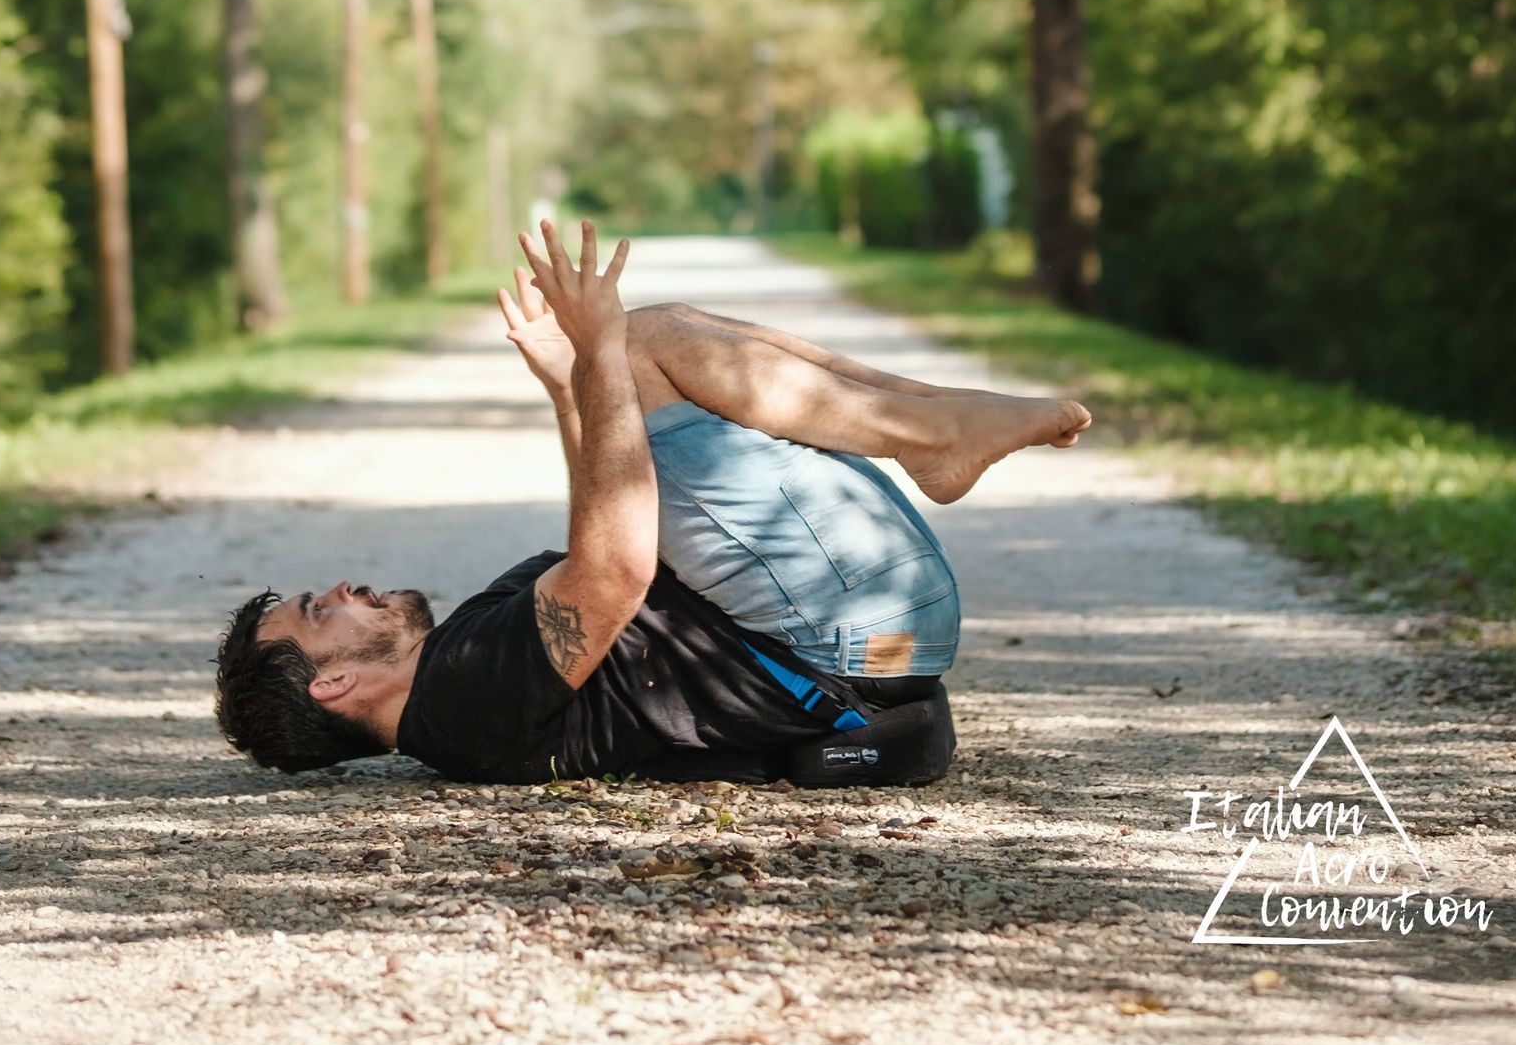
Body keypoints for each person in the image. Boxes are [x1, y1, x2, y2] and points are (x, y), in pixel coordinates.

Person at [213, 219, 1091, 789]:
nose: (344, 587)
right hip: (839, 639)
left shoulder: (462, 680)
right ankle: (933, 435)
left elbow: (606, 526)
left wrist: (571, 384)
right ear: (335, 684)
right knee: (643, 342)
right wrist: (598, 358)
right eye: (319, 611)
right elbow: (617, 571)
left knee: (643, 341)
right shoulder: (465, 692)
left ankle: (937, 419)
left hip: (860, 631)